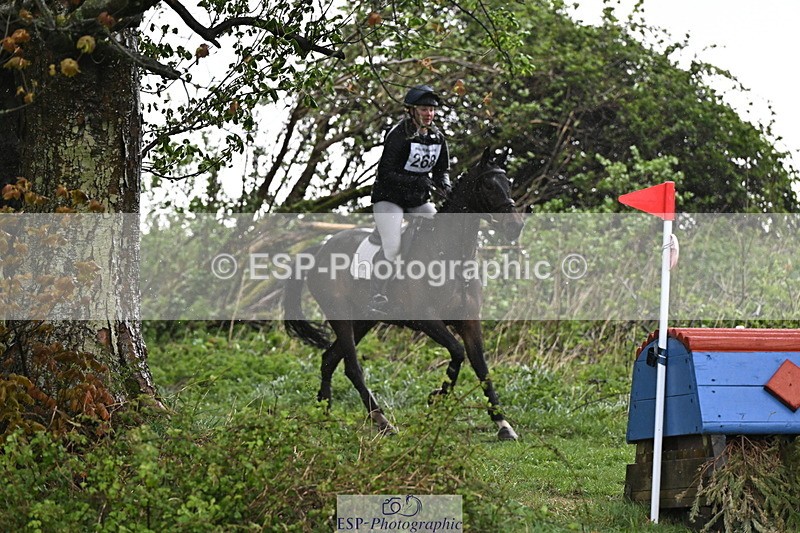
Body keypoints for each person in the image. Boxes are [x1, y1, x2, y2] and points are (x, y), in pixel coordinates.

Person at [369, 84, 452, 315]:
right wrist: (417, 181)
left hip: (417, 200)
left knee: (441, 233)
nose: (429, 114)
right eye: (424, 109)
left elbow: (442, 170)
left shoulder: (437, 138)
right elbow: (385, 173)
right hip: (390, 198)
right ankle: (378, 294)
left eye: (432, 110)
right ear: (412, 111)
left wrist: (444, 185)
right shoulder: (398, 135)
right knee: (393, 245)